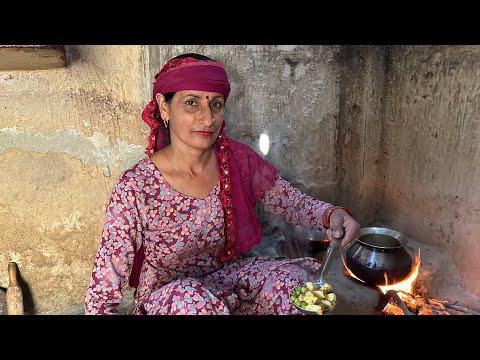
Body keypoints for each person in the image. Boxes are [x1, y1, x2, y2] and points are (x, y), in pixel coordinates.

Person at [84, 53, 360, 315]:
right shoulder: (135, 187)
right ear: (164, 106)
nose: (207, 118)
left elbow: (290, 202)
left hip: (225, 282)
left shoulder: (236, 160)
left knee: (291, 285)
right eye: (191, 103)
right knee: (192, 301)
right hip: (173, 300)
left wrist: (330, 214)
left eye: (215, 104)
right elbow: (105, 280)